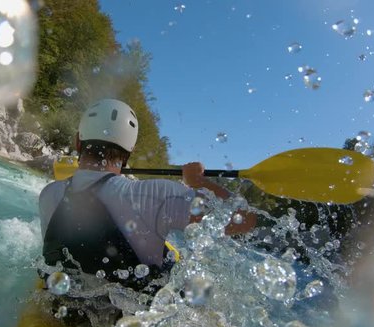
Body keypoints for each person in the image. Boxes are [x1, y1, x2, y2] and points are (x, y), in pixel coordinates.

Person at [38, 98, 255, 292]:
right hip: (129, 321)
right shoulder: (155, 196)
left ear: (78, 142)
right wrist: (199, 182)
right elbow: (245, 219)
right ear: (128, 153)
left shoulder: (48, 194)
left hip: (66, 310)